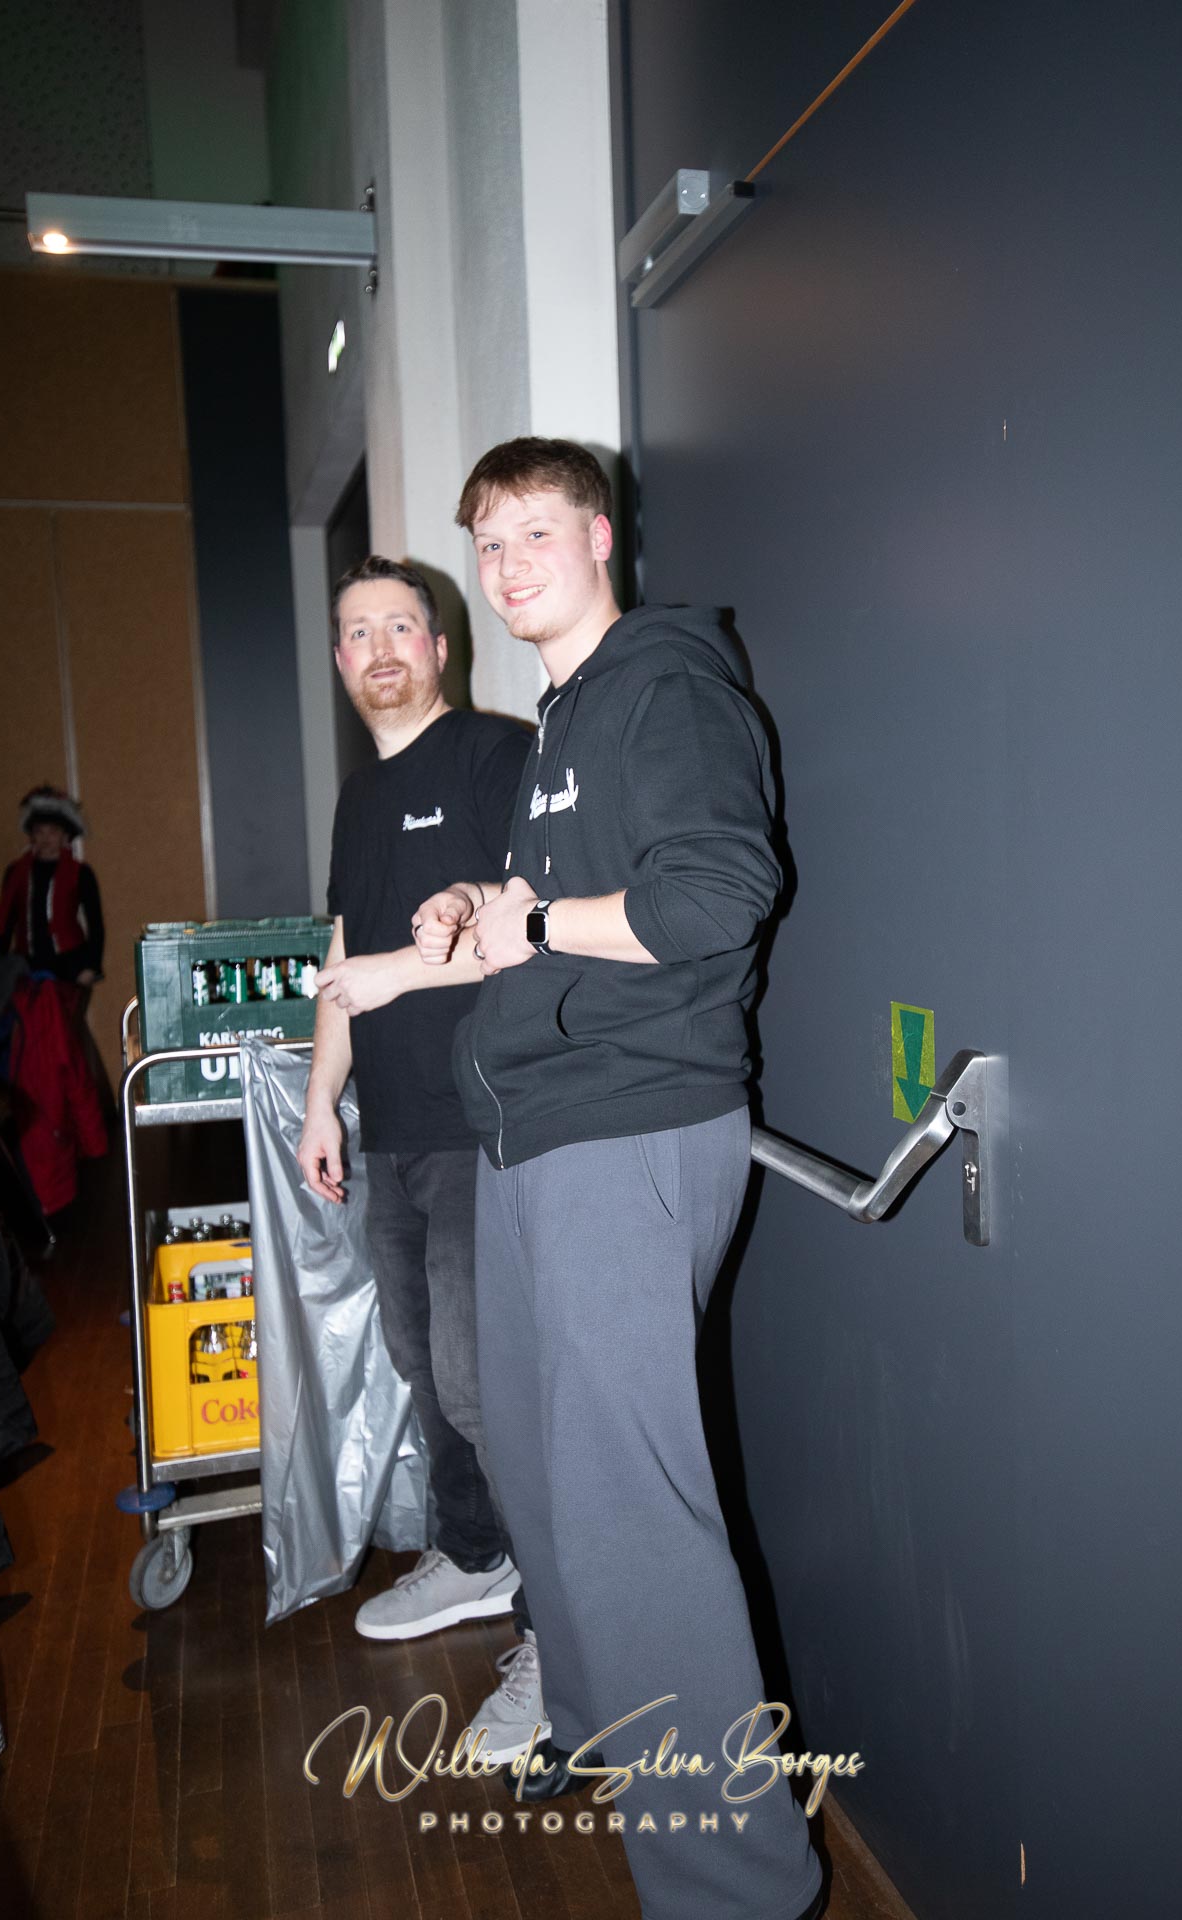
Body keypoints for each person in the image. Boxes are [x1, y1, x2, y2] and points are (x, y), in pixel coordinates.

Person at [412, 440, 824, 1920]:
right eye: (488, 542)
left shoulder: (666, 686)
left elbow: (712, 897)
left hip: (628, 1128)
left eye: (536, 531)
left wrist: (534, 929)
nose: (508, 564)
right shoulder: (561, 722)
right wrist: (491, 903)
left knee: (634, 1519)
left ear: (600, 536)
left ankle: (738, 1888)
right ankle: (593, 1716)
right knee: (541, 1474)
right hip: (537, 1129)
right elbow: (572, 905)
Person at [297, 555, 547, 1760]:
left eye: (401, 625)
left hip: (481, 1127)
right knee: (420, 1365)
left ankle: (563, 1631)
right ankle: (476, 1553)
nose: (380, 647)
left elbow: (523, 923)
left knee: (479, 1380)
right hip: (390, 1130)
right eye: (358, 632)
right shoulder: (357, 799)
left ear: (440, 647)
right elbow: (343, 954)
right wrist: (320, 1101)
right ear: (340, 659)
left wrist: (402, 971)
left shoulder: (496, 755)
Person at [0, 788, 103, 989]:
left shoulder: (81, 873)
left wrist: (91, 966)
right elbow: (6, 922)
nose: (45, 838)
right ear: (31, 835)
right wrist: (1, 964)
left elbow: (95, 923)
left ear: (64, 835)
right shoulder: (16, 872)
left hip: (70, 965)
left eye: (53, 832)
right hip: (26, 964)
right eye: (39, 832)